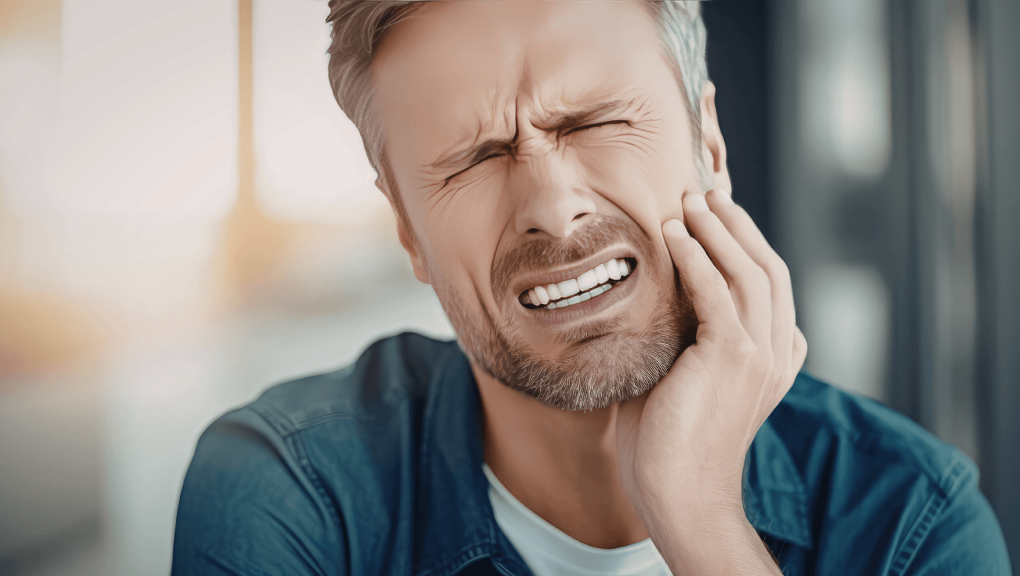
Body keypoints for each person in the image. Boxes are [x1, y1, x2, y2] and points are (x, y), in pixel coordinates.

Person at [171, 2, 1012, 574]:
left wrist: (703, 519)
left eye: (595, 122)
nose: (551, 206)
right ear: (407, 234)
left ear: (708, 148)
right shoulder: (290, 496)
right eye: (474, 159)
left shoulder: (914, 523)